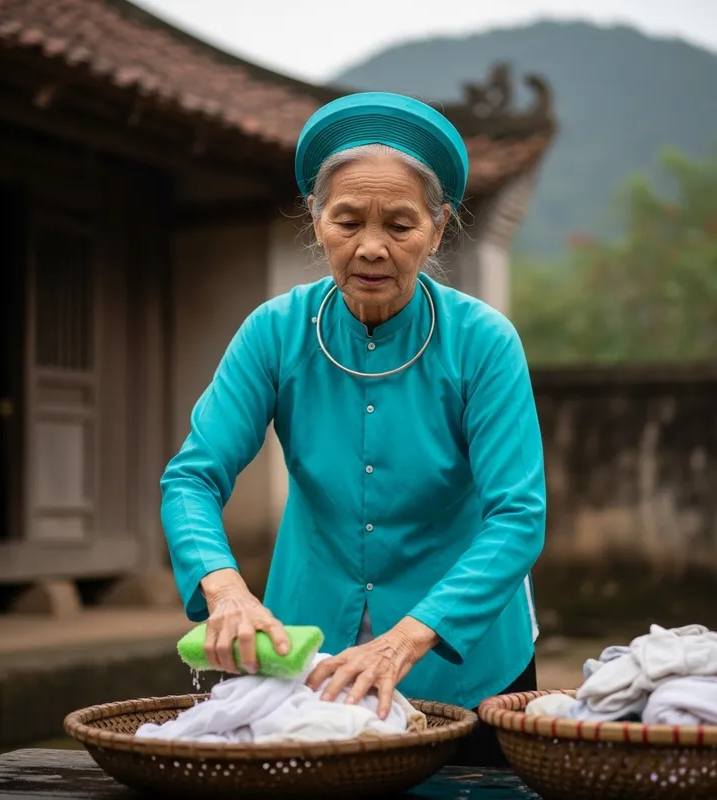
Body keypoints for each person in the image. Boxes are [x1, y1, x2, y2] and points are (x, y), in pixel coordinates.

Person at [160, 92, 546, 767]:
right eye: (347, 221)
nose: (371, 248)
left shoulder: (484, 343)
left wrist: (408, 636)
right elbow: (193, 476)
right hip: (310, 661)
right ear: (316, 219)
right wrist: (223, 588)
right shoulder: (275, 334)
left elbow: (516, 517)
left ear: (438, 224)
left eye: (400, 224)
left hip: (467, 667)